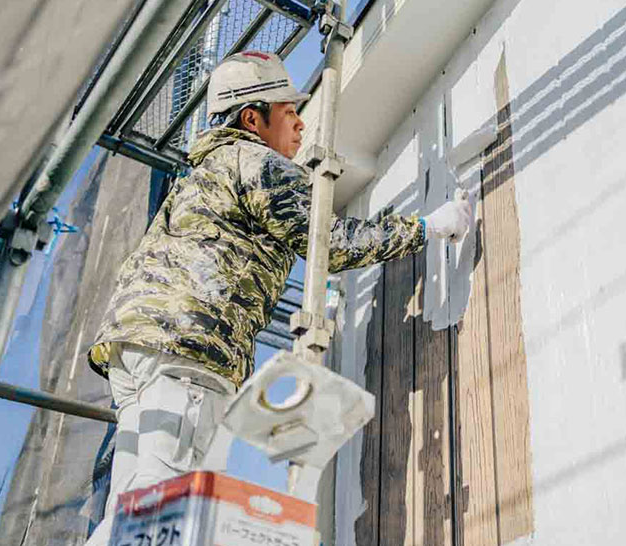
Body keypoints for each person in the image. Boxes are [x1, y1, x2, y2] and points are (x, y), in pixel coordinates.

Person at [83, 50, 470, 544]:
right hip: (189, 350)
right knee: (168, 508)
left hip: (138, 348)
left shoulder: (203, 173)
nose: (301, 126)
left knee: (136, 507)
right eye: (288, 113)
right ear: (252, 117)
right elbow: (330, 243)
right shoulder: (254, 160)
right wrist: (427, 228)